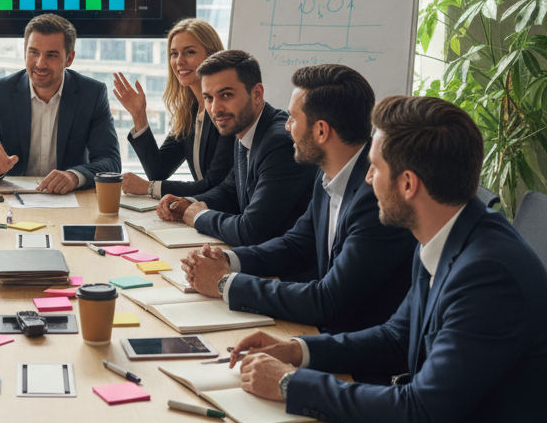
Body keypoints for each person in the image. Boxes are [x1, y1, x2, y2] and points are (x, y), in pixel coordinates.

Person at [232, 95, 547, 423]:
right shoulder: (448, 235)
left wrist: (287, 384)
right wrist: (297, 352)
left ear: (408, 183)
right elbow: (396, 337)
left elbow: (421, 411)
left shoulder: (488, 273)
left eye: (374, 168)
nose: (366, 179)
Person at [181, 64, 414, 336]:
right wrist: (227, 259)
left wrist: (224, 283)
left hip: (353, 351)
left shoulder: (376, 197)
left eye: (292, 118)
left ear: (321, 131)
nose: (286, 126)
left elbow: (329, 300)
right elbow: (297, 245)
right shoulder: (327, 174)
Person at [158, 49, 315, 246]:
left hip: (284, 271)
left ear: (257, 94)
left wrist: (199, 216)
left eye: (226, 95)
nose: (215, 109)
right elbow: (230, 190)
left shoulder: (279, 143)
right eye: (208, 98)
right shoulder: (245, 128)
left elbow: (251, 231)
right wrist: (187, 202)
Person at [0, 13, 122, 193]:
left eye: (51, 55)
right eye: (33, 53)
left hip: (68, 198)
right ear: (25, 53)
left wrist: (74, 176)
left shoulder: (92, 94)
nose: (40, 64)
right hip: (13, 199)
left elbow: (110, 162)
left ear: (69, 59)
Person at [112, 17, 234, 199]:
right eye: (174, 54)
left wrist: (149, 188)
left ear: (211, 56)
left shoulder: (226, 111)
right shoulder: (190, 112)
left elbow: (214, 184)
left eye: (189, 52)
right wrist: (138, 115)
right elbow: (159, 171)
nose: (179, 62)